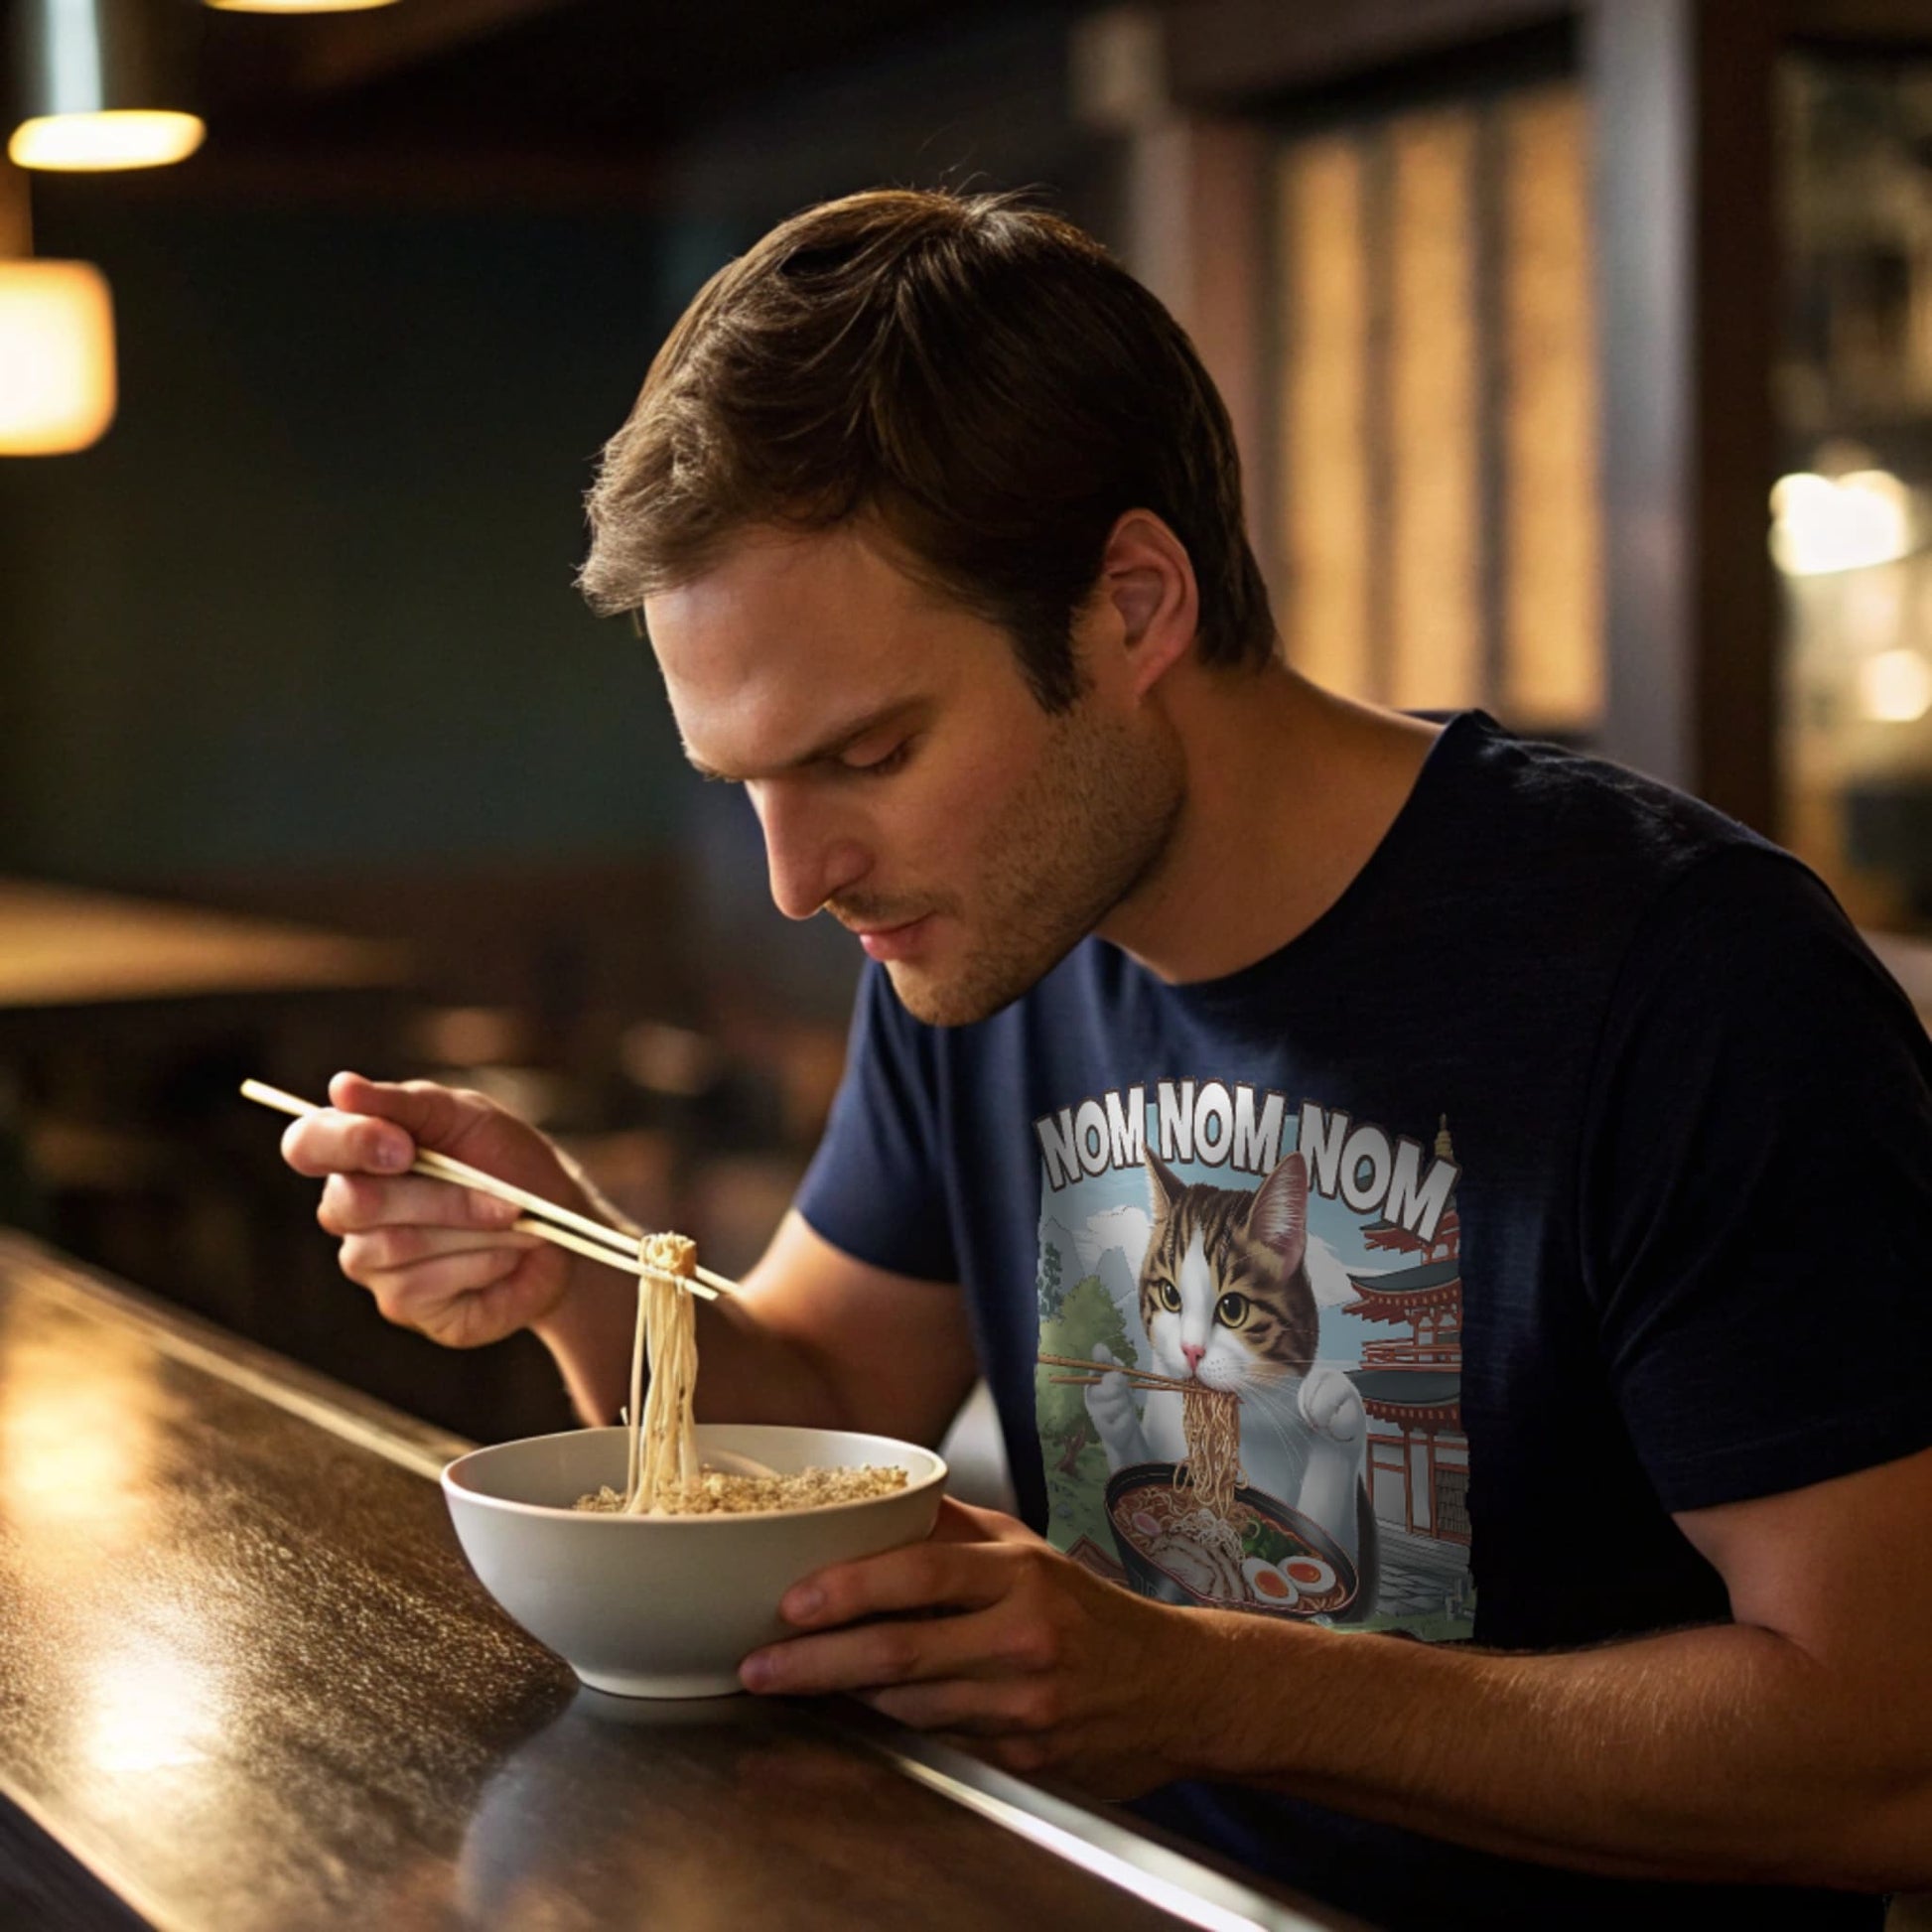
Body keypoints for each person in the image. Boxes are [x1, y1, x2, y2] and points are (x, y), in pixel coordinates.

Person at [282, 190, 1932, 1930]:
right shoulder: (979, 934)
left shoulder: (1686, 979)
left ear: (1131, 606)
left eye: (867, 751)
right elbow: (825, 1418)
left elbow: (1889, 1750)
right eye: (747, 786)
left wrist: (1218, 1687)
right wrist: (568, 1264)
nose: (796, 877)